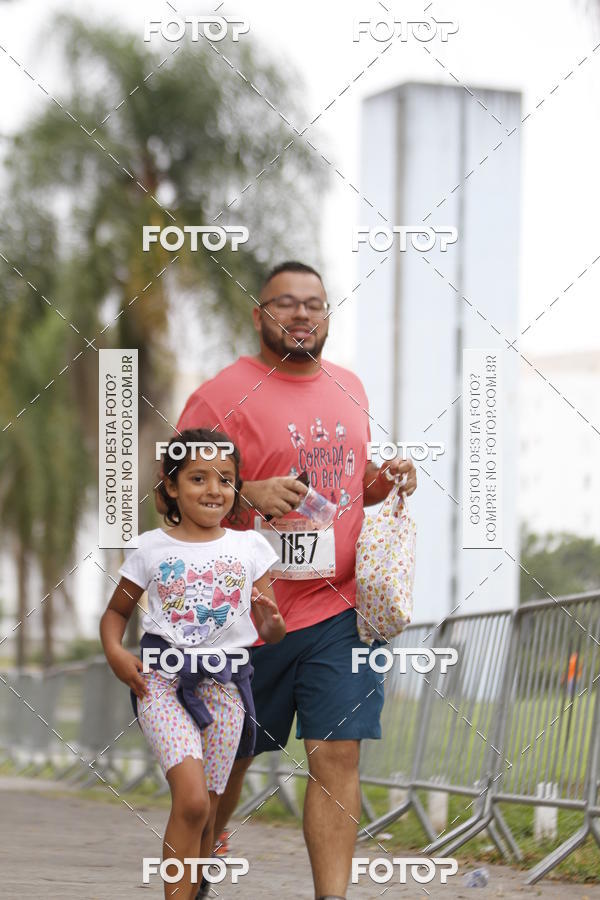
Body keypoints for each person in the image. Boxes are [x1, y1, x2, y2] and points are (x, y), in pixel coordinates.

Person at [176, 261, 417, 900]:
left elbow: (350, 487)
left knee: (337, 758)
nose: (302, 315)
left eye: (314, 304)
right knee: (224, 773)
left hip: (340, 612)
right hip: (245, 617)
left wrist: (385, 480)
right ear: (260, 317)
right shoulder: (222, 395)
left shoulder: (351, 387)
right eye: (286, 304)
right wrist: (244, 490)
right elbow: (169, 496)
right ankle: (196, 874)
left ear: (328, 316)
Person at [100, 428, 285, 900]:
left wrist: (271, 622)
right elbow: (116, 614)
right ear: (171, 486)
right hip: (162, 685)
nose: (213, 489)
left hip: (226, 689)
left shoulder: (251, 549)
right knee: (191, 799)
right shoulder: (149, 548)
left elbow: (271, 632)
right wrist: (119, 654)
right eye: (198, 478)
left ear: (237, 487)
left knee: (207, 812)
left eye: (225, 479)